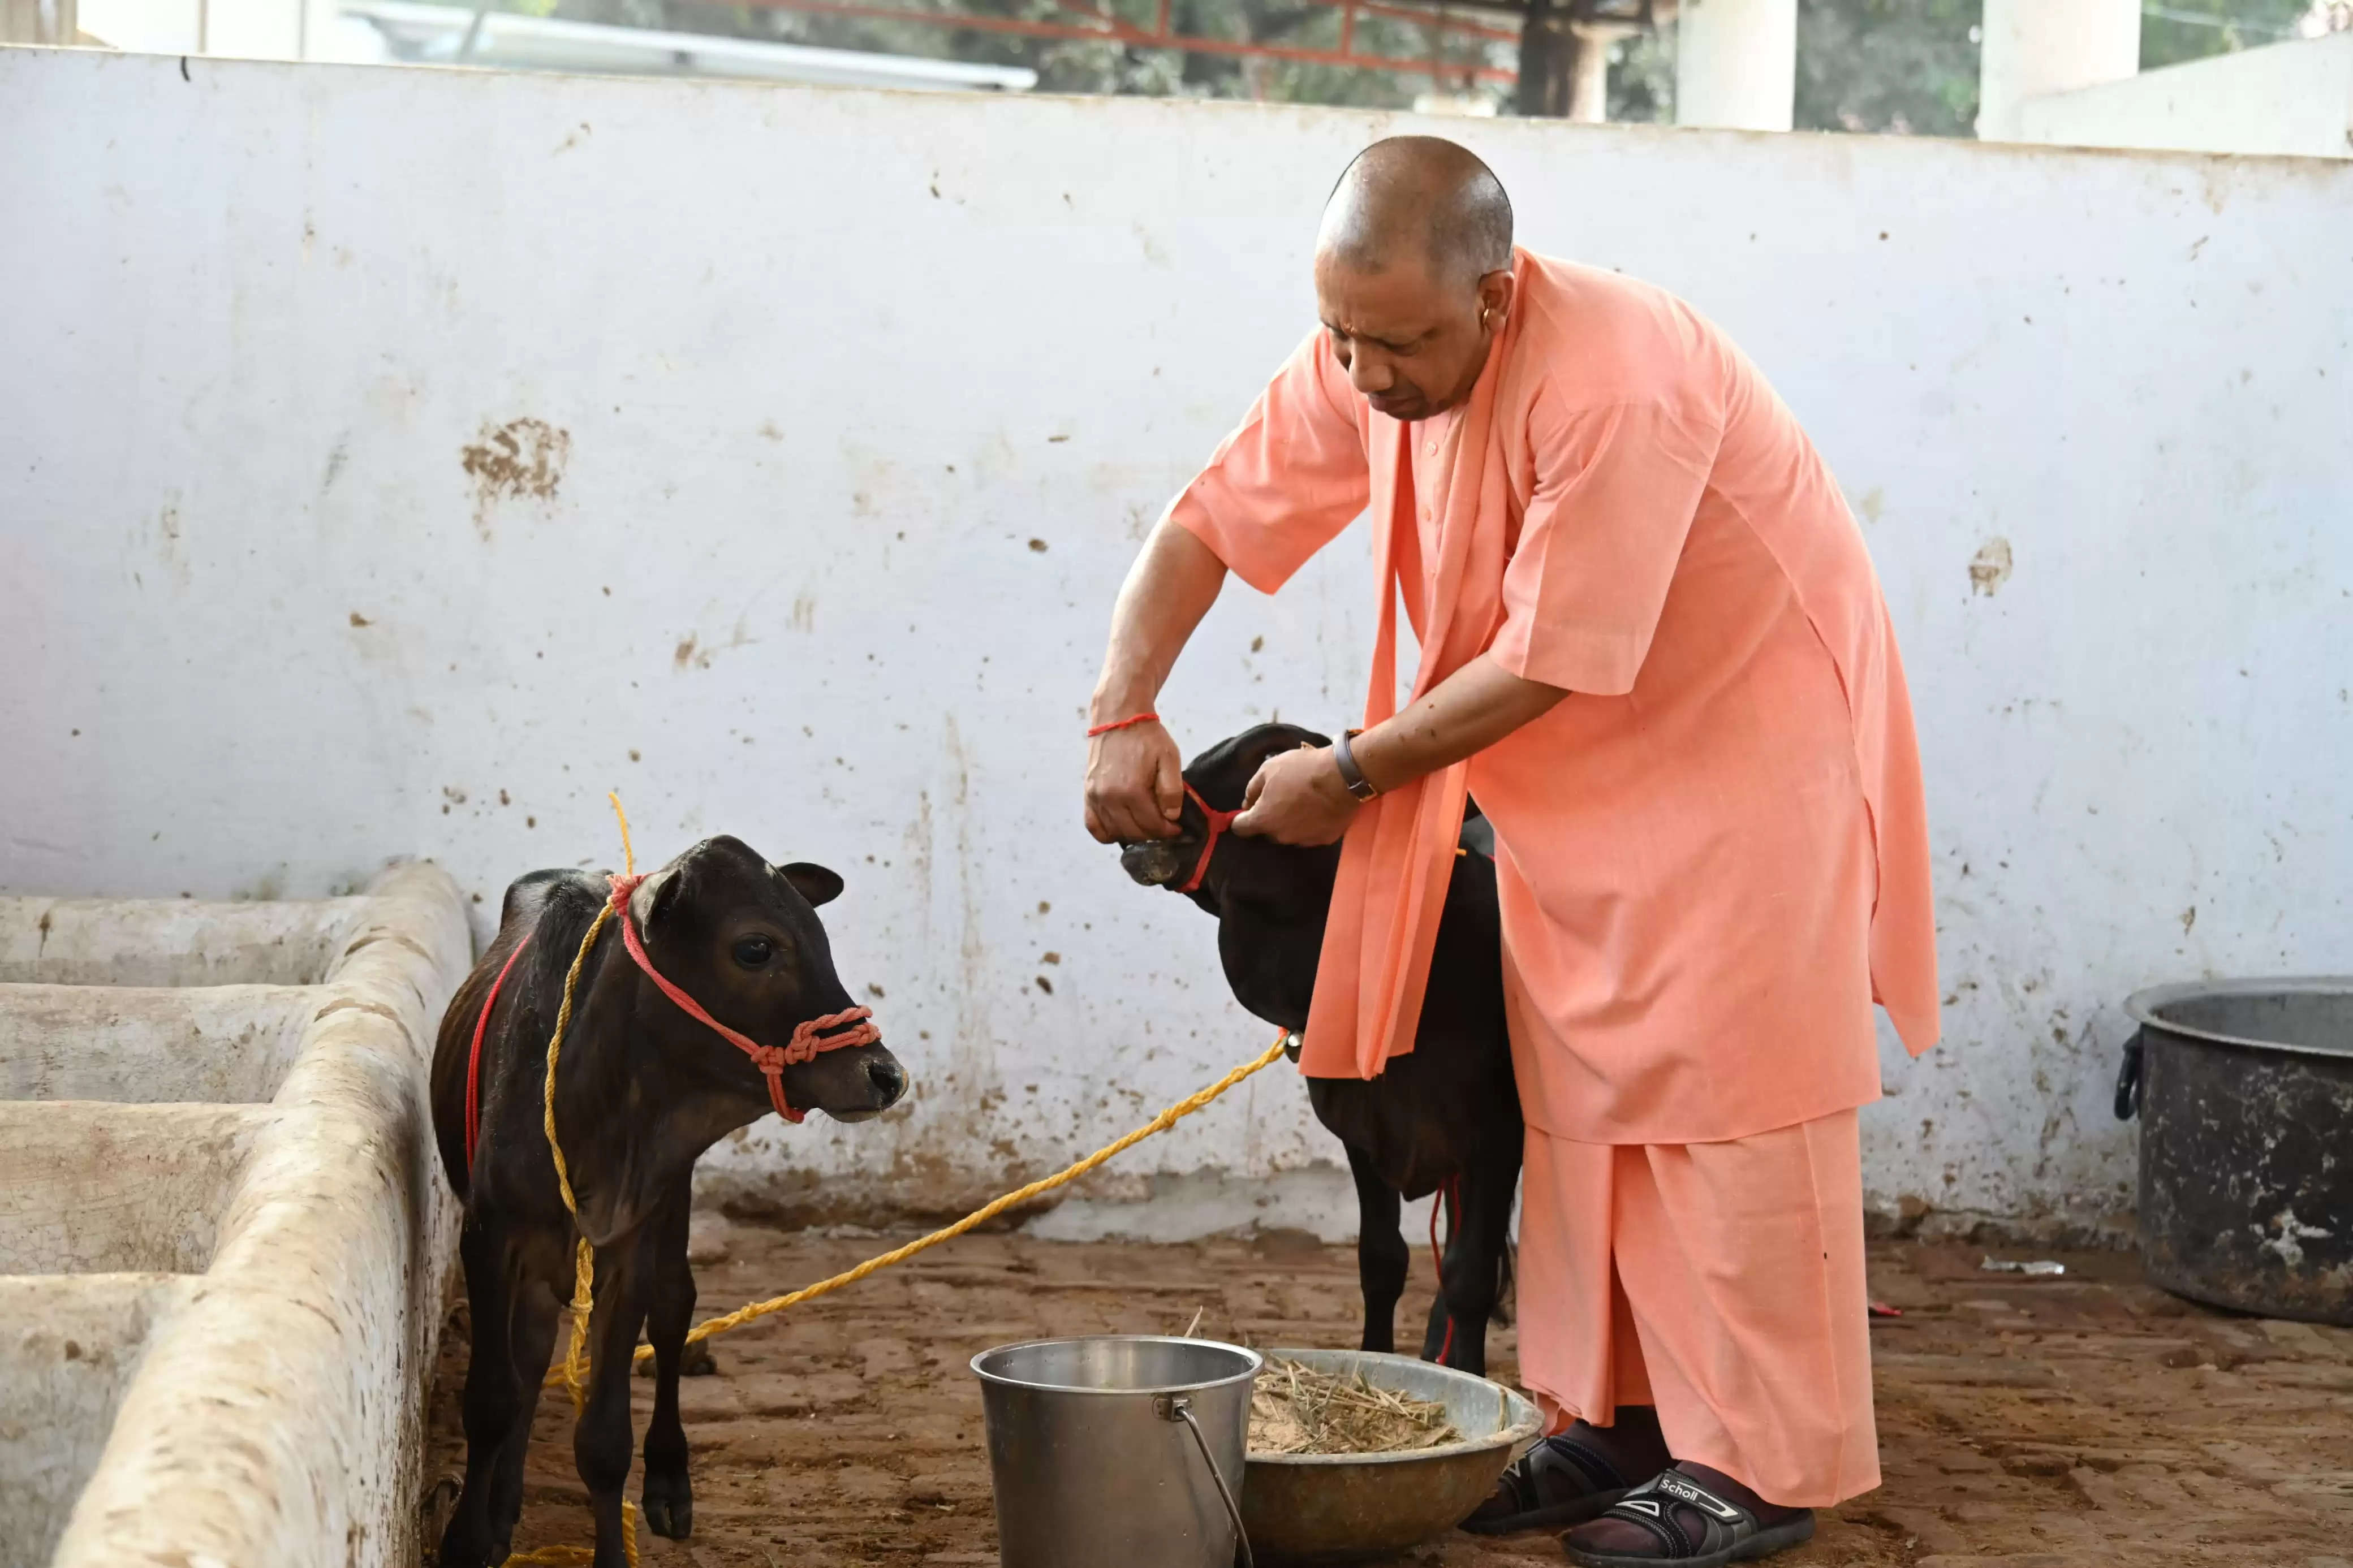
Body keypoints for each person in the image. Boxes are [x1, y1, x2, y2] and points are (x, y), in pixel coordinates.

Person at [1081, 135, 1939, 1566]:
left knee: (1729, 1098)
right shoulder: (1373, 349)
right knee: (1590, 1095)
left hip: (1746, 744)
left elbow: (1550, 659)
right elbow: (1207, 521)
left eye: (1398, 343)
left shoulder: (1615, 381)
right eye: (1339, 335)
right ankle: (1620, 1422)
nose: (1363, 378)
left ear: (1493, 298)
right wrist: (1123, 709)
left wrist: (1352, 772)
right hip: (1583, 779)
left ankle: (1760, 1465)